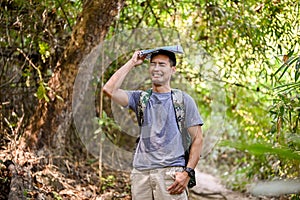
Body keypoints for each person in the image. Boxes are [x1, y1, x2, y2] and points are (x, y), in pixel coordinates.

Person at [103, 48, 204, 200]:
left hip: (170, 174)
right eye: (153, 64)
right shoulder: (140, 98)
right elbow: (109, 89)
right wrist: (132, 63)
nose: (156, 68)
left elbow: (198, 139)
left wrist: (187, 173)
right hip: (141, 174)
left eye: (162, 64)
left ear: (172, 69)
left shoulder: (183, 101)